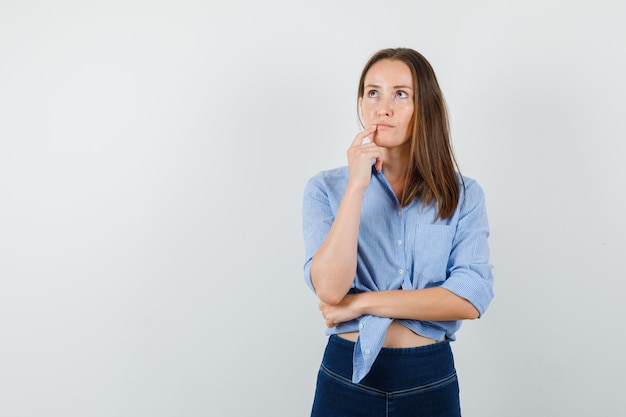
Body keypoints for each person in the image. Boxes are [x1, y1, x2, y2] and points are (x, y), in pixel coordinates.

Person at [301, 47, 494, 417]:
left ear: (426, 107)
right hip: (346, 376)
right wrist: (357, 185)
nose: (382, 107)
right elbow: (328, 288)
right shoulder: (324, 188)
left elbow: (469, 298)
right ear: (361, 102)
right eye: (373, 92)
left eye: (400, 94)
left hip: (429, 378)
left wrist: (359, 304)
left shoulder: (464, 194)